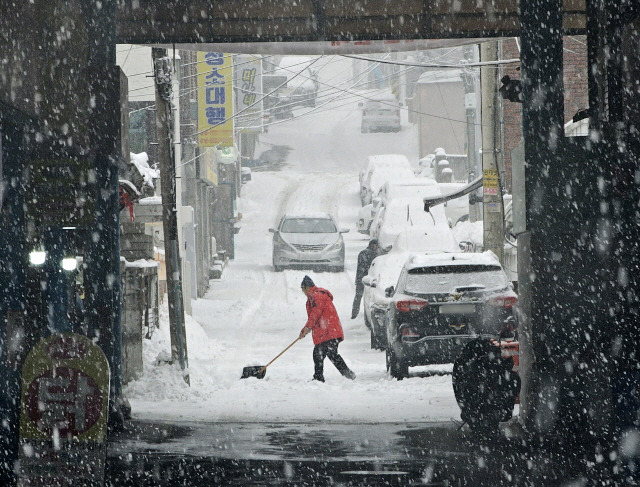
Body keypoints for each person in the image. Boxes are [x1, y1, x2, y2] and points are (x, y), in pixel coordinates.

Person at [298, 275, 356, 382]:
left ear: (307, 287)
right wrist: (305, 330)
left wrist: (306, 329)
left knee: (322, 354)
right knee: (326, 354)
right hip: (326, 332)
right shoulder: (313, 298)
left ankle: (321, 377)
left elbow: (315, 314)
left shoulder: (317, 296)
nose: (303, 293)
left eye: (303, 290)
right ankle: (347, 375)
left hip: (328, 332)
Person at [351, 239, 379, 319]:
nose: (375, 247)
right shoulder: (374, 255)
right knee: (369, 298)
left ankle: (354, 314)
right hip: (369, 279)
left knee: (358, 296)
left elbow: (360, 267)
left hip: (360, 278)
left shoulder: (362, 253)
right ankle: (368, 315)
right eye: (374, 245)